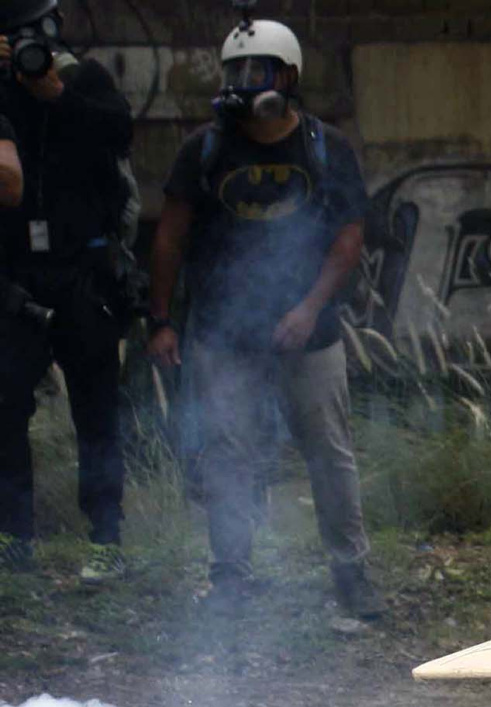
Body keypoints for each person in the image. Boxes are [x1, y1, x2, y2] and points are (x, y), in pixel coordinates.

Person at [147, 15, 378, 620]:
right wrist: (162, 319)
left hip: (312, 334)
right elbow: (169, 238)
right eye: (236, 73)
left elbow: (348, 240)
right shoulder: (204, 149)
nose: (246, 84)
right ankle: (231, 578)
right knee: (227, 455)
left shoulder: (326, 148)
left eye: (259, 72)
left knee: (329, 453)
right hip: (223, 334)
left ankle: (352, 575)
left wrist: (309, 308)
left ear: (289, 76)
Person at [0, 0, 134, 583]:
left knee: (97, 410)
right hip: (15, 275)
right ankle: (13, 539)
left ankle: (106, 538)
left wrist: (56, 94)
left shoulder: (85, 80)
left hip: (84, 270)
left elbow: (119, 132)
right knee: (5, 408)